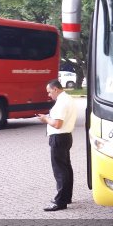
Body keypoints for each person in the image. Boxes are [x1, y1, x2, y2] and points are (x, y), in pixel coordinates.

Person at [37, 79, 77, 211]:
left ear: (55, 89)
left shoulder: (61, 102)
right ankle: (66, 197)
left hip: (58, 138)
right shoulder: (68, 98)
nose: (49, 95)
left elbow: (57, 124)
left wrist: (45, 119)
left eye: (49, 92)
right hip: (66, 137)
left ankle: (60, 202)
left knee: (59, 170)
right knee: (66, 168)